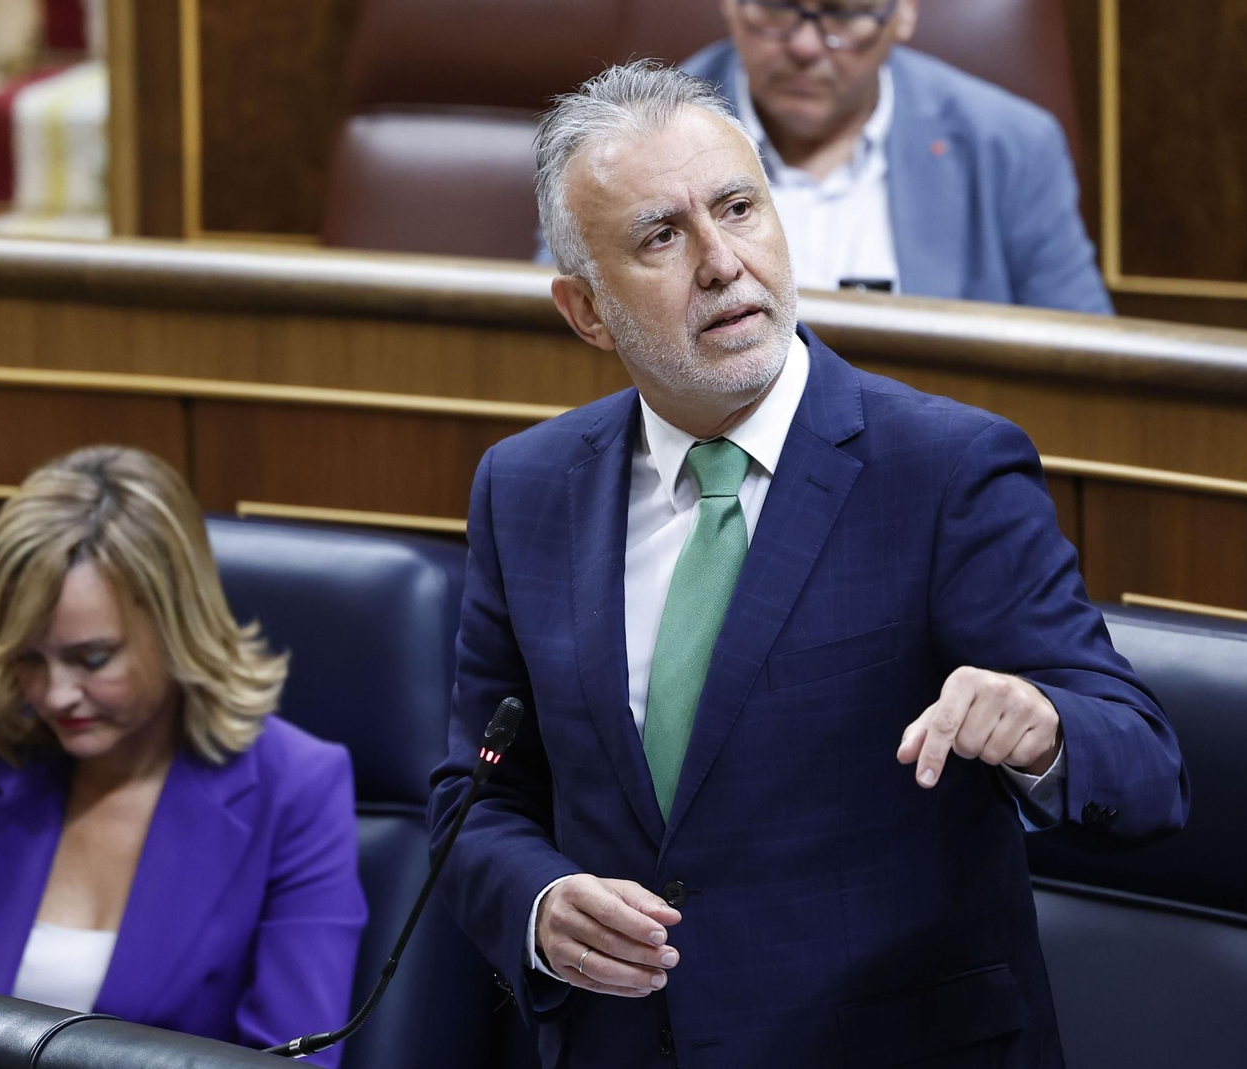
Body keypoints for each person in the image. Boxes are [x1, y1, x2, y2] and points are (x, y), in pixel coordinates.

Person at [430, 60, 1186, 1069]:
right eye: (661, 235)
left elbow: (1146, 771)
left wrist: (1045, 730)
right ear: (585, 310)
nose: (721, 262)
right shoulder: (524, 489)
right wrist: (536, 902)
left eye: (738, 209)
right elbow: (475, 797)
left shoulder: (944, 468)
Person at [0, 446, 366, 1066]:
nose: (54, 695)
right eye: (28, 658)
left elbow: (290, 1061)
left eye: (92, 659)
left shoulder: (296, 789)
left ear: (175, 628)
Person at [680, 0, 1110, 311]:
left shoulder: (1012, 146)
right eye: (777, 7)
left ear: (904, 13)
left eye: (846, 13)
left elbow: (1087, 365)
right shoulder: (642, 140)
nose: (806, 46)